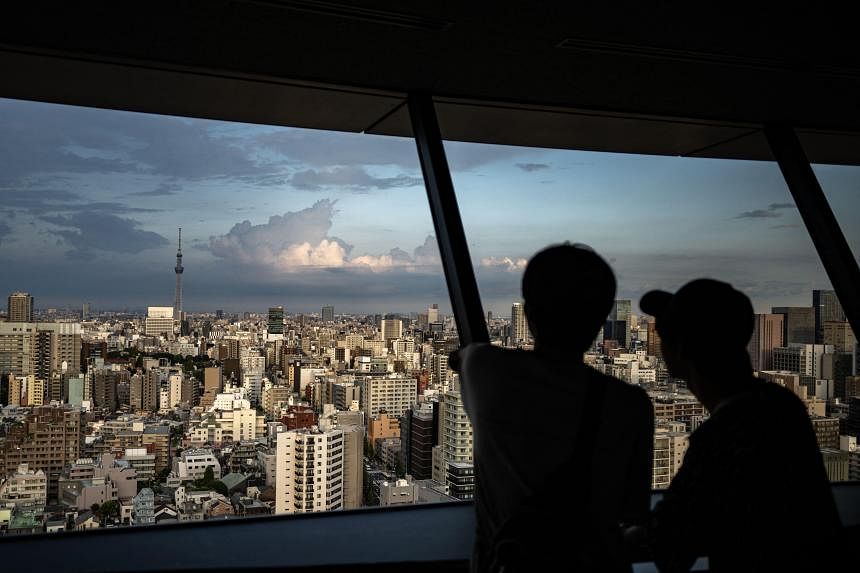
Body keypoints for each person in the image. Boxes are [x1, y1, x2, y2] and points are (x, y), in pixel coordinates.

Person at [457, 243, 654, 573]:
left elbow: (460, 357)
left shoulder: (486, 371)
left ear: (529, 316)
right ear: (601, 321)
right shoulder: (629, 405)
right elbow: (632, 512)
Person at [639, 278, 842, 573]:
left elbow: (670, 540)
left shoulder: (723, 434)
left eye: (664, 334)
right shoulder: (783, 405)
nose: (658, 339)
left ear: (680, 348)